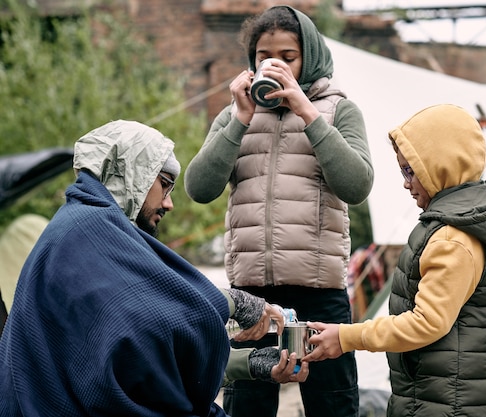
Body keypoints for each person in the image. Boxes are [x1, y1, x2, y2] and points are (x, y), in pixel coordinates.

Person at [0, 120, 308, 417]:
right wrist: (238, 303)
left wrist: (250, 362)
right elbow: (161, 319)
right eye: (164, 185)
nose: (169, 203)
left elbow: (146, 352)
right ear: (133, 175)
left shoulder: (92, 228)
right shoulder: (85, 232)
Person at [184, 5, 373, 417]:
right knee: (246, 407)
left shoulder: (339, 110)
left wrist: (308, 111)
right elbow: (198, 189)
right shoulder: (235, 115)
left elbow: (357, 187)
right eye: (264, 58)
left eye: (288, 57)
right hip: (252, 301)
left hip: (320, 297)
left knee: (333, 407)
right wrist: (238, 122)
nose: (276, 66)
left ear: (309, 56)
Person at [303, 103, 486, 416]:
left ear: (441, 166)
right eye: (403, 171)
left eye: (411, 171)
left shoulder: (453, 239)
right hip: (441, 397)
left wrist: (347, 337)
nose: (405, 182)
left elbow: (428, 322)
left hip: (450, 404)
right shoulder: (458, 225)